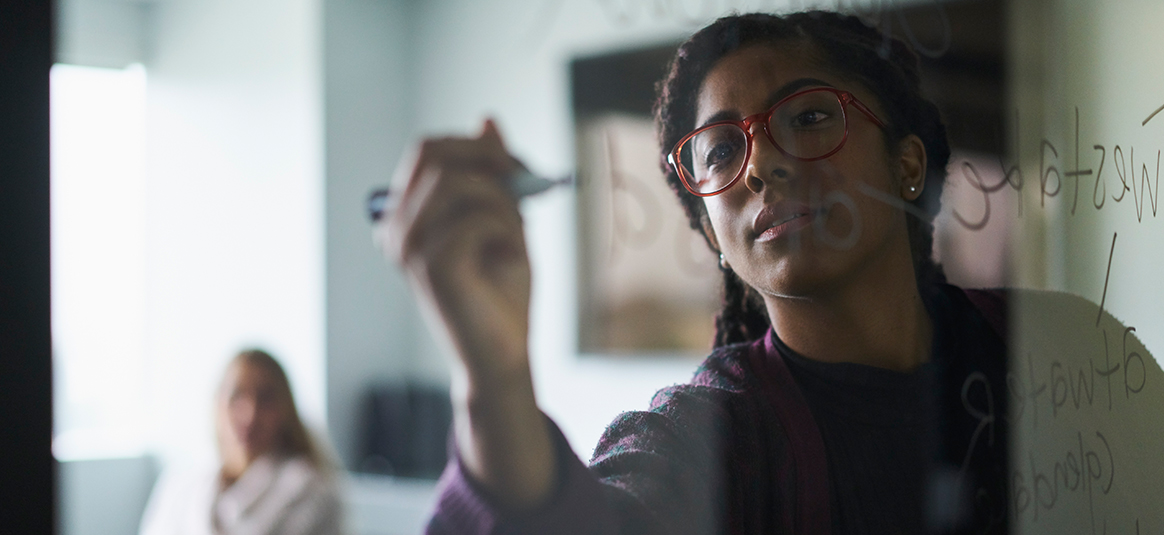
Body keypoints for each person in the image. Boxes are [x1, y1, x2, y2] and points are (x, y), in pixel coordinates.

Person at [383, 11, 1009, 535]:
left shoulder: (1037, 340)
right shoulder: (712, 436)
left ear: (907, 166)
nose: (760, 164)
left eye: (809, 117)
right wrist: (495, 381)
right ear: (713, 235)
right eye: (723, 150)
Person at [140, 349, 344, 535]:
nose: (249, 415)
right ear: (218, 403)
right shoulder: (181, 484)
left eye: (265, 399)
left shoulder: (311, 490)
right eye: (236, 395)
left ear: (285, 410)